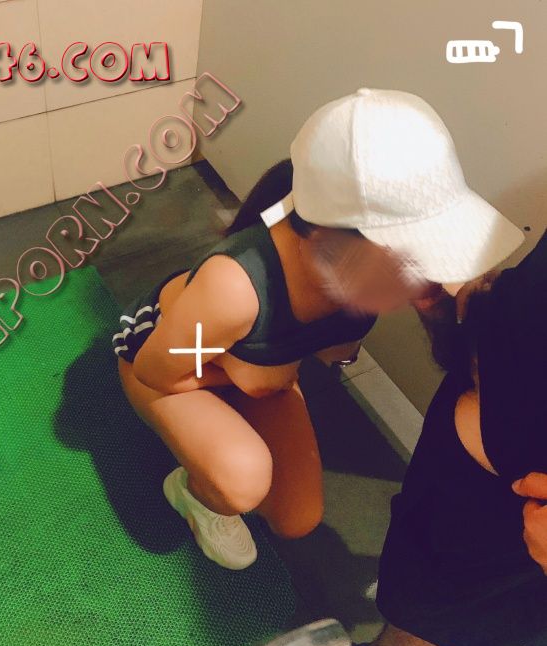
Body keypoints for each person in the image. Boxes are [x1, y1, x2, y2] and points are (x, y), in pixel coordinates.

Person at [113, 88, 437, 570]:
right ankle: (193, 492)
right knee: (241, 478)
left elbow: (331, 349)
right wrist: (244, 373)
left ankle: (225, 430)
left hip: (257, 365)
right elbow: (154, 370)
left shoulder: (361, 278)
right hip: (166, 360)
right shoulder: (234, 289)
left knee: (297, 518)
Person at [307, 125, 547, 646]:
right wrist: (459, 325)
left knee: (440, 622)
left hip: (516, 523)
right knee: (420, 593)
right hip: (467, 470)